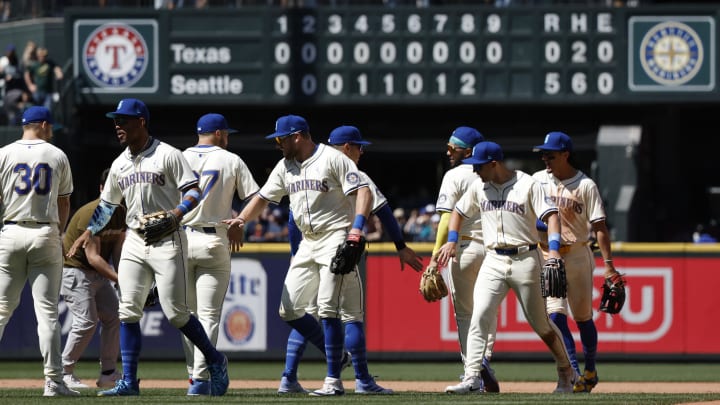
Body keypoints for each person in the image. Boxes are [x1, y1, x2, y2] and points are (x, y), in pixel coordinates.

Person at [65, 98, 229, 397]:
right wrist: (89, 231)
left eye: (124, 120)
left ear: (141, 121)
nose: (118, 126)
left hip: (167, 239)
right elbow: (107, 205)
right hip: (135, 240)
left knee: (177, 313)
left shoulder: (168, 154)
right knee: (128, 310)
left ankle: (216, 360)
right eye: (116, 121)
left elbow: (193, 191)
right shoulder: (120, 163)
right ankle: (129, 381)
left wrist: (175, 215)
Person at [223, 114, 374, 396]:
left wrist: (356, 230)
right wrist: (242, 219)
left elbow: (364, 191)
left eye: (281, 139)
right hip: (308, 242)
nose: (277, 144)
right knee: (288, 309)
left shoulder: (332, 158)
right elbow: (263, 198)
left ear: (297, 136)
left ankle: (333, 381)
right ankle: (340, 357)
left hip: (335, 237)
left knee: (328, 306)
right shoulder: (285, 166)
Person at [278, 125, 423, 395]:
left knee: (307, 314)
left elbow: (293, 219)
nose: (361, 150)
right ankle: (357, 379)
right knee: (349, 316)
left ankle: (289, 376)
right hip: (336, 251)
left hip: (308, 252)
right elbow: (383, 211)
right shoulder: (354, 173)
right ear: (347, 148)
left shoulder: (303, 169)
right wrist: (400, 245)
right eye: (358, 146)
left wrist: (295, 254)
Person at [437, 141, 575, 394]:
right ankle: (472, 378)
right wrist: (452, 241)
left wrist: (553, 250)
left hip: (526, 259)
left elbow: (552, 216)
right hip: (493, 260)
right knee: (479, 316)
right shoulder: (479, 186)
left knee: (541, 325)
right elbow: (457, 212)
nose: (475, 171)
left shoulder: (527, 184)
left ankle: (566, 370)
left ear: (494, 163)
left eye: (479, 166)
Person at [532, 131, 621, 393]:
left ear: (566, 154)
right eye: (543, 155)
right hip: (547, 254)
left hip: (579, 255)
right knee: (554, 317)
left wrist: (608, 264)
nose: (545, 159)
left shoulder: (585, 185)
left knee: (583, 319)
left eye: (551, 155)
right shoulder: (537, 180)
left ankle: (591, 370)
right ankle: (573, 371)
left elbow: (601, 227)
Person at [179, 113, 259, 396]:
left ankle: (195, 376)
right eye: (227, 133)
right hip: (214, 239)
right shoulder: (230, 159)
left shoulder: (177, 157)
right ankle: (201, 378)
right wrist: (240, 222)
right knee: (209, 315)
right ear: (220, 133)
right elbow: (254, 197)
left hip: (180, 240)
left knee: (186, 316)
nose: (228, 138)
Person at [0, 106, 77, 396]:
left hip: (11, 230)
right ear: (43, 124)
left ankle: (55, 382)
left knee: (1, 310)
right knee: (47, 313)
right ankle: (53, 383)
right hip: (45, 231)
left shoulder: (4, 153)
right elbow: (64, 201)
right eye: (51, 126)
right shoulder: (57, 154)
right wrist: (58, 234)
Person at [427, 126, 500, 392]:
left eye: (452, 148)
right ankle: (485, 360)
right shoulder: (495, 174)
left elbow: (447, 218)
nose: (447, 152)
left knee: (465, 315)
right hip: (495, 251)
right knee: (487, 311)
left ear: (468, 151)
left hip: (465, 248)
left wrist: (436, 257)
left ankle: (474, 372)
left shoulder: (455, 175)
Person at [61, 168, 125, 389]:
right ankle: (63, 372)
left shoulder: (121, 212)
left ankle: (108, 373)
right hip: (75, 271)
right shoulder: (92, 212)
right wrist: (119, 278)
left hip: (97, 275)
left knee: (114, 316)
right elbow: (93, 257)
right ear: (101, 189)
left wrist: (122, 276)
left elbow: (117, 247)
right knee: (87, 321)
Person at [23, 46, 63, 112]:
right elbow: (26, 74)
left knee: (47, 111)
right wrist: (30, 85)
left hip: (48, 93)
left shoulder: (50, 63)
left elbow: (56, 68)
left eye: (44, 56)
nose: (42, 57)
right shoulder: (34, 64)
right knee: (36, 111)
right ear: (38, 56)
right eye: (41, 55)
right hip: (37, 92)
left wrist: (59, 73)